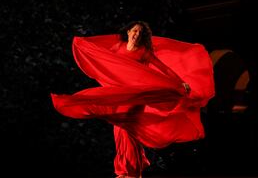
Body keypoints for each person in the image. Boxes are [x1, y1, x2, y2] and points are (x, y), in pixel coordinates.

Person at [51, 20, 215, 178]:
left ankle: (129, 171)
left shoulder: (144, 52)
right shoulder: (118, 47)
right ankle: (132, 168)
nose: (137, 34)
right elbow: (106, 62)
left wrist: (180, 82)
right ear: (128, 32)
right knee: (121, 128)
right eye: (135, 30)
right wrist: (84, 46)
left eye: (140, 32)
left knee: (125, 127)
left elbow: (163, 69)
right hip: (120, 95)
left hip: (137, 97)